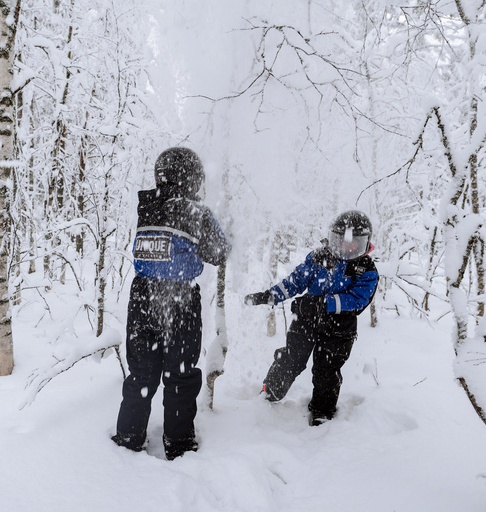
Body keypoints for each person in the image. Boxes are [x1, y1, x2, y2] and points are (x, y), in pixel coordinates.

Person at [112, 147, 230, 460]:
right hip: (180, 301)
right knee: (180, 375)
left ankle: (128, 437)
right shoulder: (197, 213)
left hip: (142, 299)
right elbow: (218, 253)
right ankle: (178, 444)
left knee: (141, 374)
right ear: (193, 179)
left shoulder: (147, 206)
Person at [245, 210, 379, 426]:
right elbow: (296, 280)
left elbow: (357, 300)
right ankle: (268, 394)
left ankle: (322, 414)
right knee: (291, 358)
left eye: (353, 243)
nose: (345, 247)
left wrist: (323, 304)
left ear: (363, 244)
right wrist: (272, 295)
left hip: (339, 329)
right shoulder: (320, 257)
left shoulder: (365, 269)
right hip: (306, 320)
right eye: (340, 240)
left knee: (326, 371)